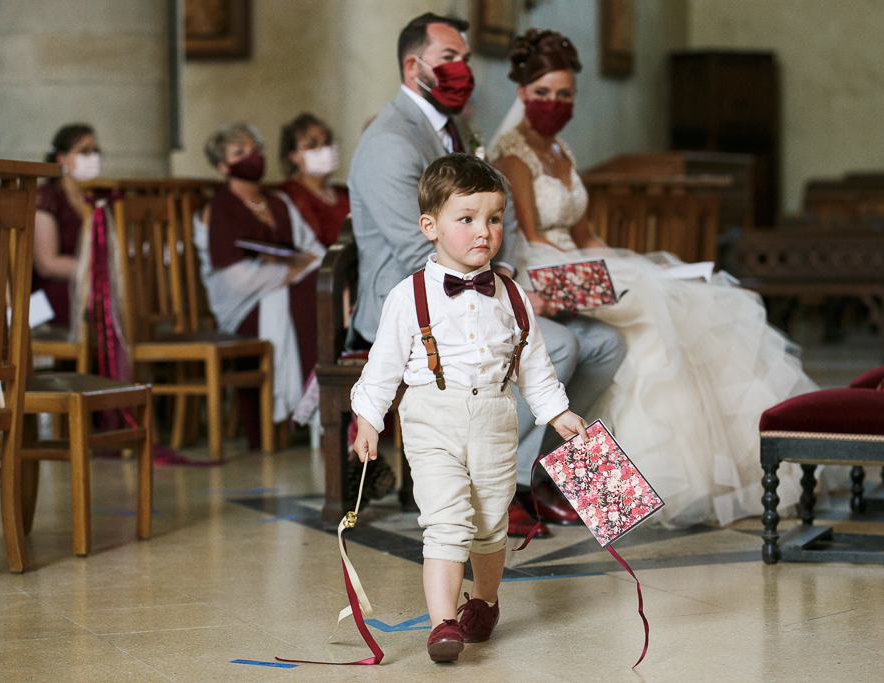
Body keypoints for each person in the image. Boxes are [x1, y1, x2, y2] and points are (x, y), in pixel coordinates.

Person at [489, 30, 818, 527]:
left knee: (673, 304)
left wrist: (641, 265)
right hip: (541, 268)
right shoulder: (513, 156)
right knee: (648, 330)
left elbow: (586, 233)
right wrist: (603, 271)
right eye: (543, 95)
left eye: (564, 95)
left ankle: (589, 488)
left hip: (578, 261)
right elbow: (532, 237)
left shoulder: (562, 150)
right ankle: (594, 489)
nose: (554, 105)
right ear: (522, 94)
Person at [347, 12, 625, 535]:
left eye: (466, 59)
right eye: (449, 59)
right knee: (559, 346)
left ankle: (542, 476)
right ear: (414, 67)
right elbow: (417, 247)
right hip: (417, 300)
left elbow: (502, 219)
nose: (463, 70)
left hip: (480, 280)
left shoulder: (450, 128)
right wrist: (508, 293)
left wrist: (515, 286)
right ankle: (503, 490)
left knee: (606, 343)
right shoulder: (391, 141)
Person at [351, 153, 588, 662]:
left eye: (494, 219)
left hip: (496, 420)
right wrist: (368, 418)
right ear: (430, 226)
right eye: (467, 219)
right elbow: (383, 365)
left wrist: (557, 413)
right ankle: (442, 623)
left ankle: (483, 600)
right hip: (432, 417)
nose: (483, 231)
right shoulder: (408, 296)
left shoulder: (513, 296)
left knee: (489, 521)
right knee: (446, 519)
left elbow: (535, 367)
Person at [193, 123, 325, 447]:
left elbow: (314, 252)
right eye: (240, 153)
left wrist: (287, 267)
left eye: (255, 150)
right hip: (242, 307)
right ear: (223, 166)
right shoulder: (218, 208)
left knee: (321, 293)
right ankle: (314, 413)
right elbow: (235, 279)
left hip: (282, 291)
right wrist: (288, 272)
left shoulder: (278, 202)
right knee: (307, 295)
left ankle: (323, 409)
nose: (252, 157)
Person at [34, 123, 102, 325]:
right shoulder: (47, 198)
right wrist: (96, 269)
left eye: (96, 151)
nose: (92, 158)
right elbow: (46, 264)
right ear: (61, 158)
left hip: (93, 287)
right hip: (57, 294)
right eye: (84, 151)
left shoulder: (97, 199)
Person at [278, 113, 350, 248]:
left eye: (328, 142)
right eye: (312, 145)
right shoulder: (288, 195)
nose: (324, 150)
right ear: (294, 156)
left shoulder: (343, 192)